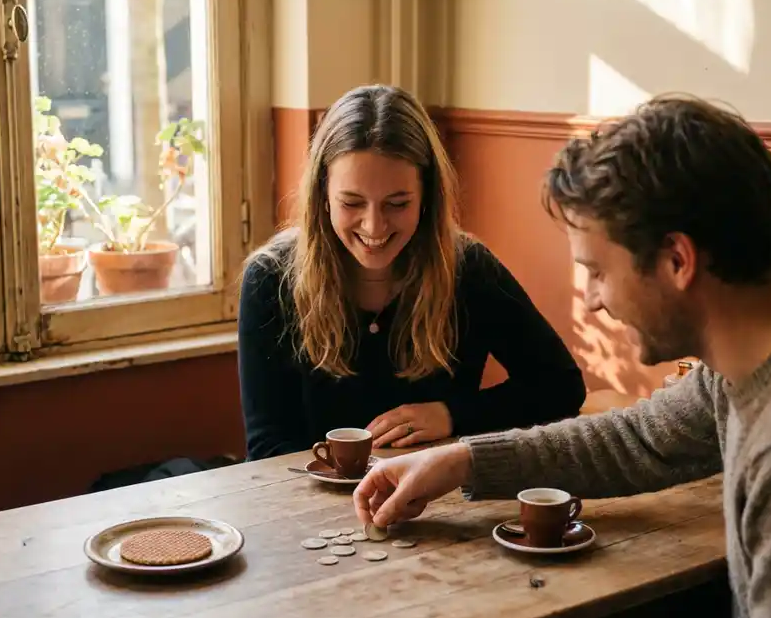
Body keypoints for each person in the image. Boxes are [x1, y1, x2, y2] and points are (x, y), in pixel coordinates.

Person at [353, 95, 771, 618]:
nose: (590, 301)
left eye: (597, 271)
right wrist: (461, 461)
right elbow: (638, 438)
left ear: (677, 260)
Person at [238, 84, 586, 462]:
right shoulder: (271, 277)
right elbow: (268, 446)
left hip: (439, 499)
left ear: (426, 196)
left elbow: (561, 386)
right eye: (352, 202)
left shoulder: (469, 268)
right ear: (322, 195)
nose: (374, 226)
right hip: (308, 503)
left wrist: (453, 415)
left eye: (397, 203)